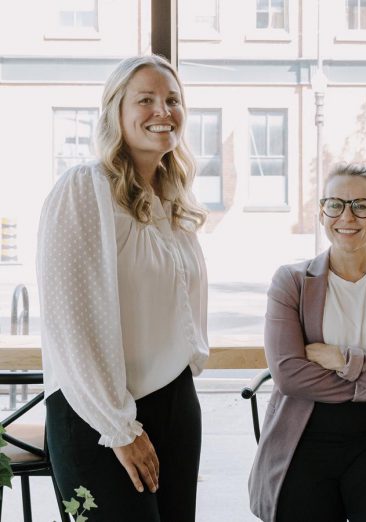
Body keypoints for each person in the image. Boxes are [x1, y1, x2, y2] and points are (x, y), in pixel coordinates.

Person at [37, 55, 208, 521]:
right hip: (95, 413)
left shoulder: (173, 202)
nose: (163, 111)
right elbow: (68, 322)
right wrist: (119, 426)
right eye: (146, 100)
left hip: (174, 400)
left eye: (172, 100)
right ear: (116, 110)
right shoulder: (83, 189)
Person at [248, 163, 366, 522]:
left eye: (361, 205)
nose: (347, 216)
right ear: (322, 213)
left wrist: (342, 359)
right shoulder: (291, 282)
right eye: (335, 204)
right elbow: (289, 375)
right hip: (302, 442)